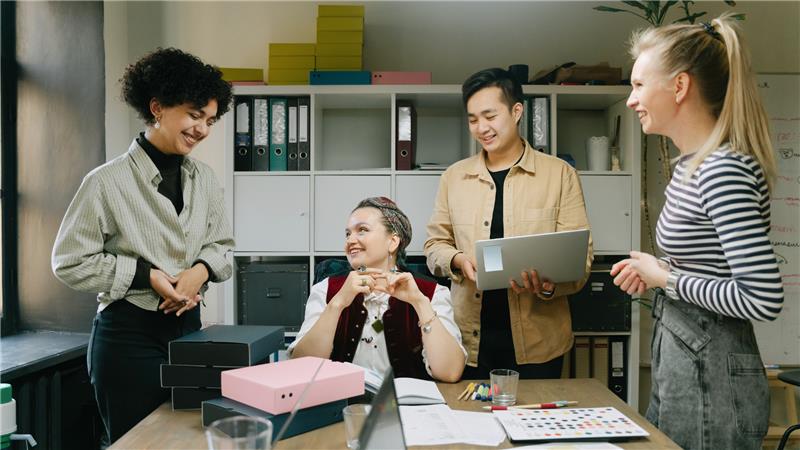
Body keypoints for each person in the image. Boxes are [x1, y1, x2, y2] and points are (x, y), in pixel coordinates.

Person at [610, 13, 784, 449]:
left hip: (713, 380)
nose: (631, 100)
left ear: (680, 86)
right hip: (686, 365)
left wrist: (664, 277)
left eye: (638, 85)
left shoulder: (722, 170)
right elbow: (715, 266)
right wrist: (659, 272)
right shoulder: (692, 166)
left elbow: (762, 297)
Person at [51, 48, 235, 445]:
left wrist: (198, 273)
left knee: (191, 442)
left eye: (210, 120)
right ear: (157, 107)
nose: (202, 128)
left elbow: (223, 246)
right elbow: (68, 261)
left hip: (190, 334)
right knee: (139, 444)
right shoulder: (106, 182)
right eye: (193, 114)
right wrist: (145, 275)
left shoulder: (205, 178)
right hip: (127, 339)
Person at [424, 68, 593, 380]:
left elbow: (580, 261)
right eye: (473, 119)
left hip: (540, 343)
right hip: (468, 340)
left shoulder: (559, 175)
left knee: (533, 425)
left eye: (489, 115)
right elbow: (434, 246)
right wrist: (459, 260)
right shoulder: (454, 178)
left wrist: (547, 285)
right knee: (471, 426)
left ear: (517, 111)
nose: (481, 127)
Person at [289, 197, 466, 382]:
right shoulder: (326, 290)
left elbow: (450, 373)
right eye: (347, 234)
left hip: (407, 408)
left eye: (362, 230)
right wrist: (337, 304)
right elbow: (302, 367)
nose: (350, 240)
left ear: (393, 241)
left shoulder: (432, 292)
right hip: (343, 408)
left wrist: (420, 303)